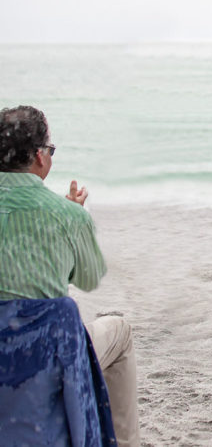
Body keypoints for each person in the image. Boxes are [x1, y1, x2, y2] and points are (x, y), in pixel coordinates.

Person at [0, 105, 139, 447]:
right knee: (118, 331)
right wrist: (73, 218)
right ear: (38, 156)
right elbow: (89, 278)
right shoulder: (67, 216)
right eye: (50, 150)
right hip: (43, 361)